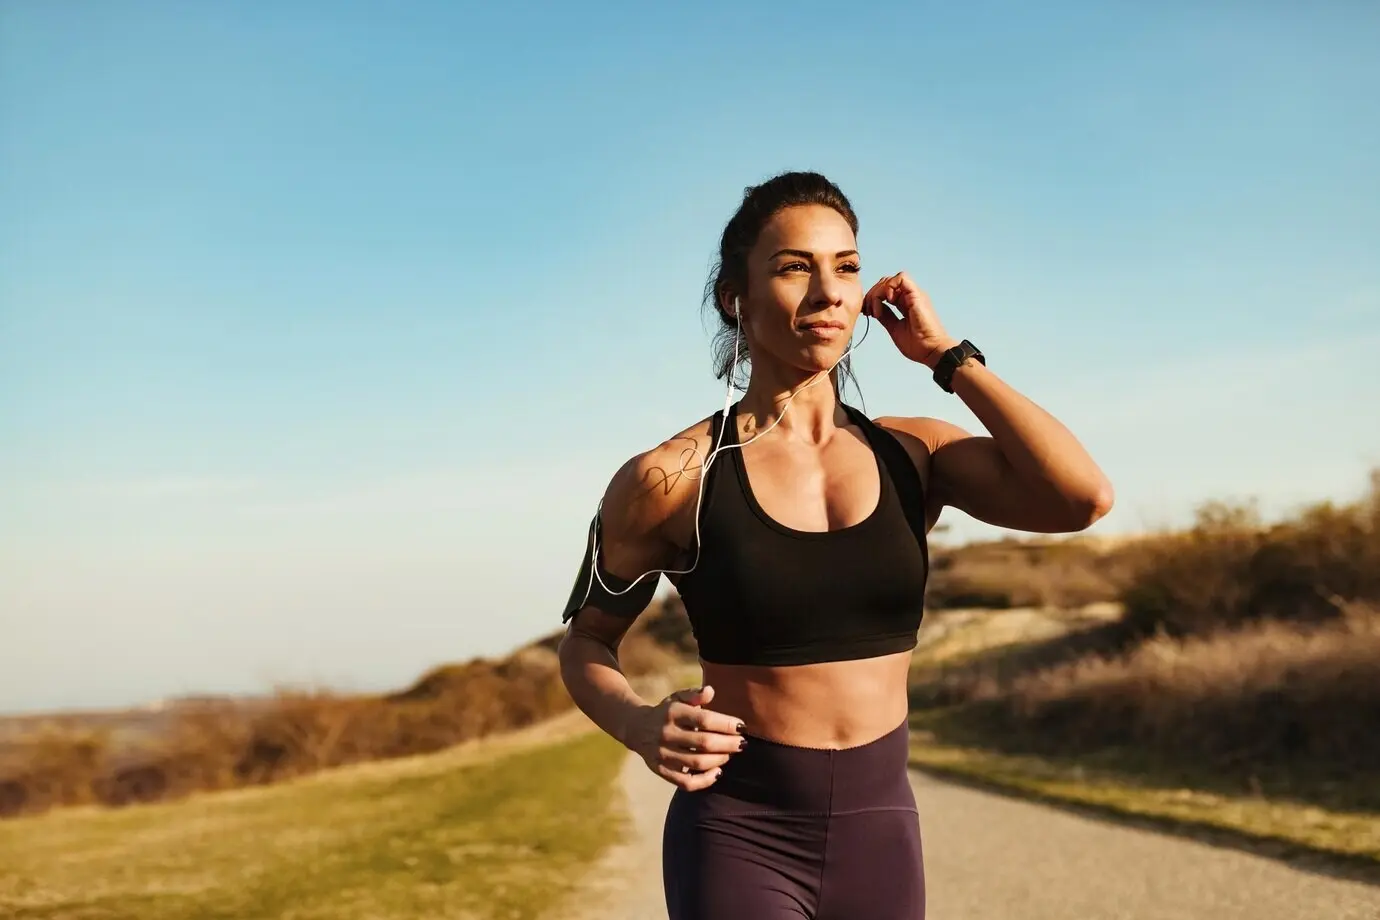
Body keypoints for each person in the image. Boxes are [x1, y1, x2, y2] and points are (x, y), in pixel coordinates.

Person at [556, 170, 1113, 920]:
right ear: (735, 297)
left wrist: (948, 356)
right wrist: (636, 722)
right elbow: (586, 642)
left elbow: (1082, 498)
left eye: (846, 267)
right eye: (794, 268)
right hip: (737, 834)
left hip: (881, 832)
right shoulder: (669, 479)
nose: (828, 293)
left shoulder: (914, 455)